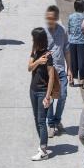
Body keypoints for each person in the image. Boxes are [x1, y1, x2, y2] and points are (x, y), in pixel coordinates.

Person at [28, 27, 60, 160]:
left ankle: (43, 150)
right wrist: (37, 62)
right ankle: (42, 143)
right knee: (36, 119)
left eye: (33, 38)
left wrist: (48, 96)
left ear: (38, 40)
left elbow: (51, 77)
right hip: (33, 90)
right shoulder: (34, 52)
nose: (32, 40)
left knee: (41, 121)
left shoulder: (48, 56)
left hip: (42, 92)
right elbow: (29, 68)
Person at [44, 5, 69, 137]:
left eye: (52, 18)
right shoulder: (44, 33)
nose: (49, 20)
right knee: (50, 98)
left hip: (61, 69)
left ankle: (57, 120)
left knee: (63, 95)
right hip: (48, 71)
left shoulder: (63, 30)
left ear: (56, 18)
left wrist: (69, 68)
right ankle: (51, 125)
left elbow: (66, 49)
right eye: (48, 18)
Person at [67, 0, 84, 87]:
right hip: (82, 42)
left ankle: (71, 80)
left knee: (72, 61)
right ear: (83, 7)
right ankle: (82, 81)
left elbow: (68, 30)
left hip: (72, 42)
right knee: (82, 61)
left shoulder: (71, 16)